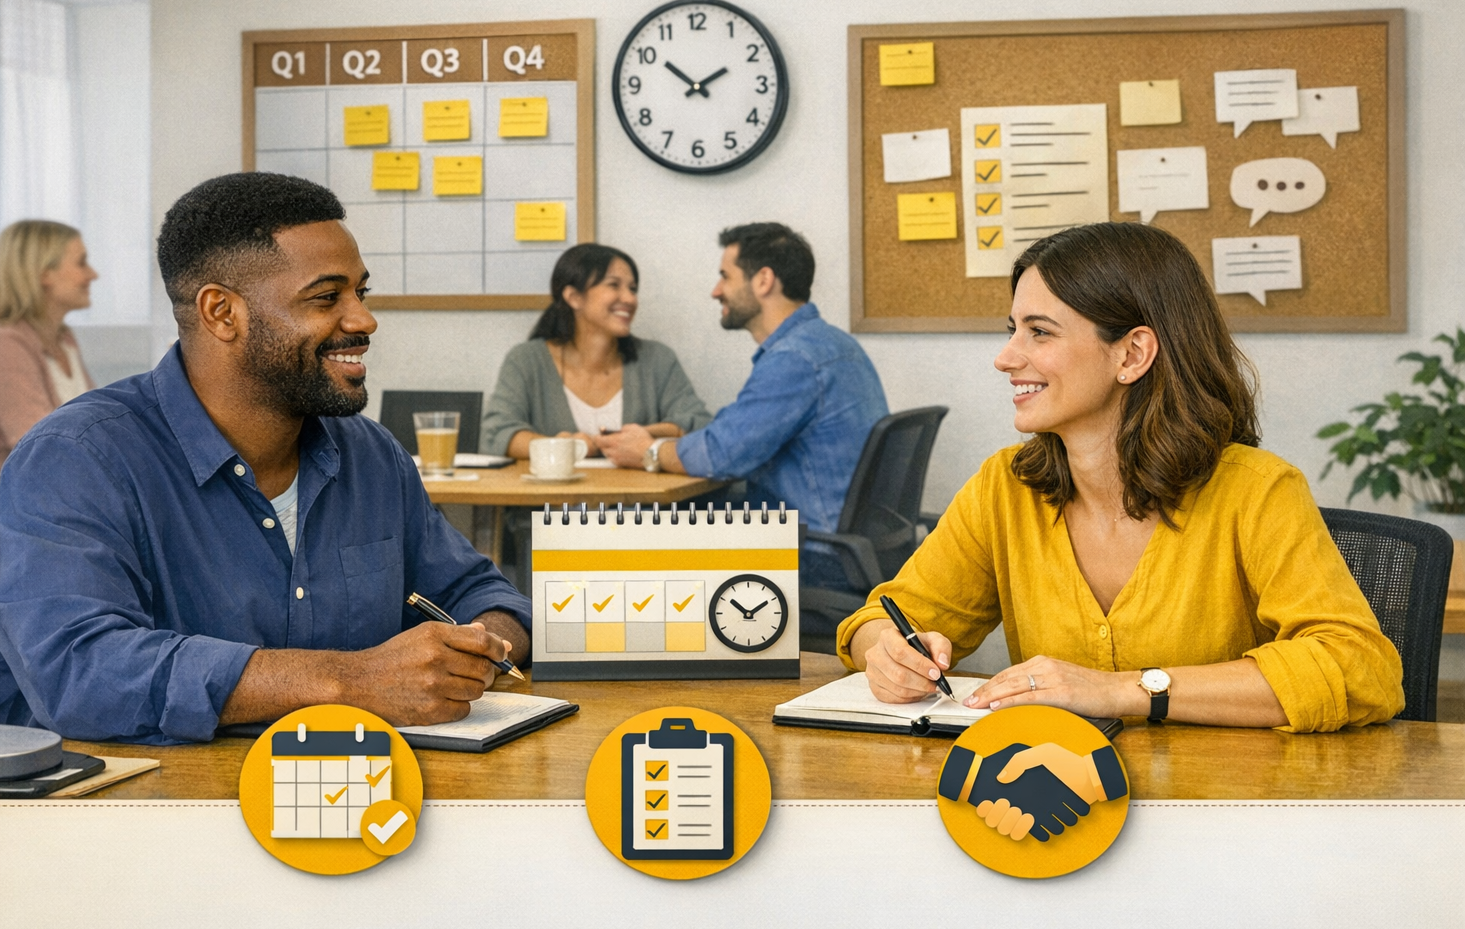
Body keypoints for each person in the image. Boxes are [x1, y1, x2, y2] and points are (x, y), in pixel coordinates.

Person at [0, 172, 530, 744]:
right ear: (221, 313)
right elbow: (79, 673)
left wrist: (478, 647)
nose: (364, 319)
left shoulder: (370, 454)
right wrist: (348, 680)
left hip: (324, 795)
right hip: (108, 812)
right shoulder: (75, 459)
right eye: (325, 297)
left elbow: (479, 594)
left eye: (361, 293)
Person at [838, 222, 1403, 733]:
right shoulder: (1003, 488)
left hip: (1227, 813)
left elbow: (1357, 668)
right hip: (1060, 807)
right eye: (1013, 328)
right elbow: (884, 619)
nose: (1006, 357)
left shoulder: (1257, 490)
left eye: (1039, 332)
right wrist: (886, 653)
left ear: (1132, 354)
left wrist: (1120, 691)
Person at [600, 223, 889, 594]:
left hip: (815, 559)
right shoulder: (831, 345)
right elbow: (737, 433)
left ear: (764, 280)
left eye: (725, 276)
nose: (715, 290)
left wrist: (648, 452)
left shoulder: (795, 359)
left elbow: (722, 455)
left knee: (631, 549)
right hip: (845, 548)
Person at [479, 243, 711, 459]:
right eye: (613, 285)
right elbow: (497, 434)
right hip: (551, 503)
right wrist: (563, 448)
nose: (629, 298)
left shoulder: (657, 359)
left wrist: (638, 437)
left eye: (633, 289)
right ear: (573, 297)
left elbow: (698, 423)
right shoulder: (526, 360)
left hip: (636, 503)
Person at [0, 220, 98, 478]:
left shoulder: (64, 338)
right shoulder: (4, 344)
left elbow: (96, 422)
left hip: (54, 491)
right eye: (81, 263)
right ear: (44, 274)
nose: (92, 275)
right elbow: (42, 447)